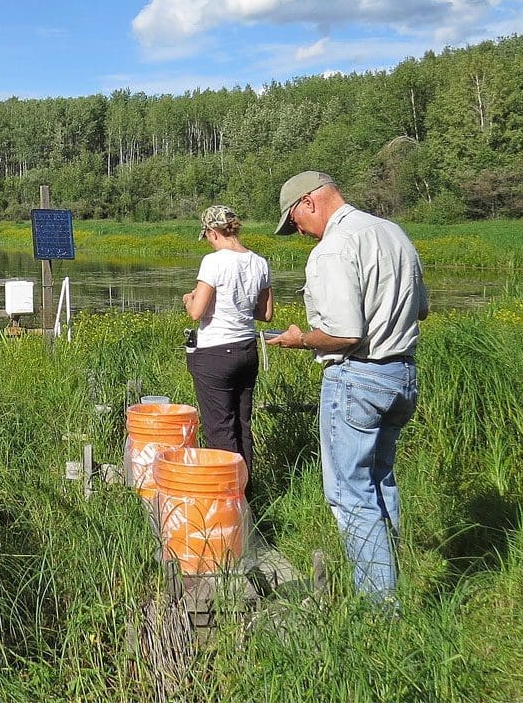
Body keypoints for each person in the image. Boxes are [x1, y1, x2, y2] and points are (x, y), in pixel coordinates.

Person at [267, 171, 429, 601]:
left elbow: (344, 334)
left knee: (350, 495)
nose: (298, 232)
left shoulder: (333, 249)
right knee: (380, 484)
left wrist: (300, 339)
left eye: (295, 222)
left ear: (308, 203)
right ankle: (390, 586)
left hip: (357, 377)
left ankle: (379, 610)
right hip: (402, 375)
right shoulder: (393, 233)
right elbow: (423, 309)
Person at [183, 205, 273, 494]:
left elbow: (197, 313)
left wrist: (189, 298)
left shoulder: (213, 262)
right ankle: (246, 495)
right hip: (246, 349)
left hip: (215, 353)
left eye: (207, 235)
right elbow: (266, 313)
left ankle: (226, 502)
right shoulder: (260, 262)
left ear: (212, 232)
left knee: (220, 428)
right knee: (241, 426)